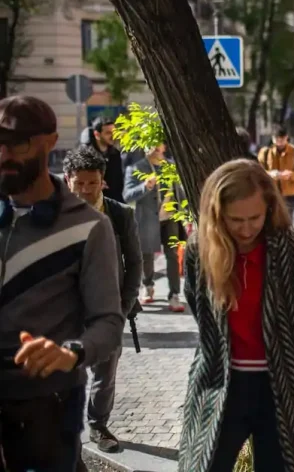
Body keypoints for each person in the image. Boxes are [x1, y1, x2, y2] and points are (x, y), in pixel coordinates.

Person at [179, 160, 294, 472]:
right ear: (217, 213)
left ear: (269, 208)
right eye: (236, 220)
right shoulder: (201, 249)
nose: (246, 228)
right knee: (203, 464)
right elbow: (197, 303)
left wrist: (291, 344)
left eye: (255, 218)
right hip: (220, 380)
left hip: (283, 387)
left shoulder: (291, 250)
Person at [0, 96, 123, 471]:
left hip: (48, 408)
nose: (4, 154)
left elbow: (108, 323)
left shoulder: (90, 226)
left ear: (50, 141)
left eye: (17, 143)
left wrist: (71, 352)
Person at [63, 146, 143, 454]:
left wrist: (122, 309)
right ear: (68, 180)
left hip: (107, 309)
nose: (85, 190)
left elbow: (135, 264)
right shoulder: (51, 216)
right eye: (79, 183)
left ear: (102, 181)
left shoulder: (120, 215)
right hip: (63, 309)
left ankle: (98, 424)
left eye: (91, 183)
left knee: (105, 374)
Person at [124, 143, 186, 311]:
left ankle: (174, 295)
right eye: (152, 147)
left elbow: (180, 190)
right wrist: (145, 186)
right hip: (148, 219)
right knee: (147, 254)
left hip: (170, 217)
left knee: (172, 255)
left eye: (159, 148)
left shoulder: (171, 167)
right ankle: (148, 285)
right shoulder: (137, 168)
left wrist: (186, 212)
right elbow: (127, 195)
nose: (157, 151)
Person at [257, 127, 294, 215]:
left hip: (289, 194)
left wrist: (291, 175)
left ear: (286, 138)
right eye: (277, 139)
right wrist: (270, 174)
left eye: (282, 139)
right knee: (271, 220)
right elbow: (258, 171)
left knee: (287, 220)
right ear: (272, 139)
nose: (279, 142)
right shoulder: (265, 152)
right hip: (270, 192)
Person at [80, 116, 125, 203]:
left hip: (112, 203)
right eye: (108, 133)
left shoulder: (115, 154)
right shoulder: (85, 155)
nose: (113, 136)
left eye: (114, 132)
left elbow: (118, 184)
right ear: (97, 134)